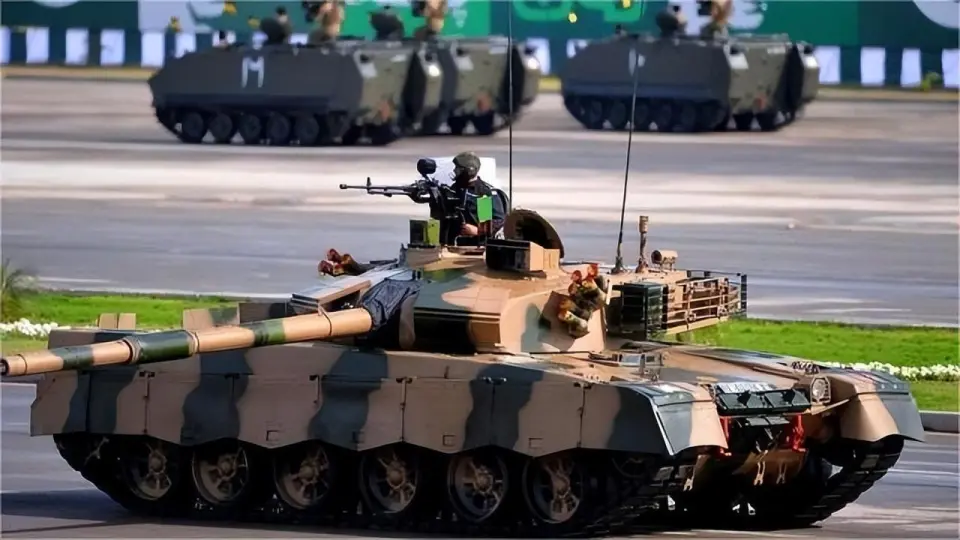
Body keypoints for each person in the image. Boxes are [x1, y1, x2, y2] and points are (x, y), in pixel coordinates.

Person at [449, 151, 506, 239]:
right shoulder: (454, 189)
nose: (454, 170)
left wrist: (478, 230)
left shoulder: (482, 194)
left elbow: (494, 220)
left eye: (458, 168)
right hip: (452, 240)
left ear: (468, 171)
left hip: (476, 242)